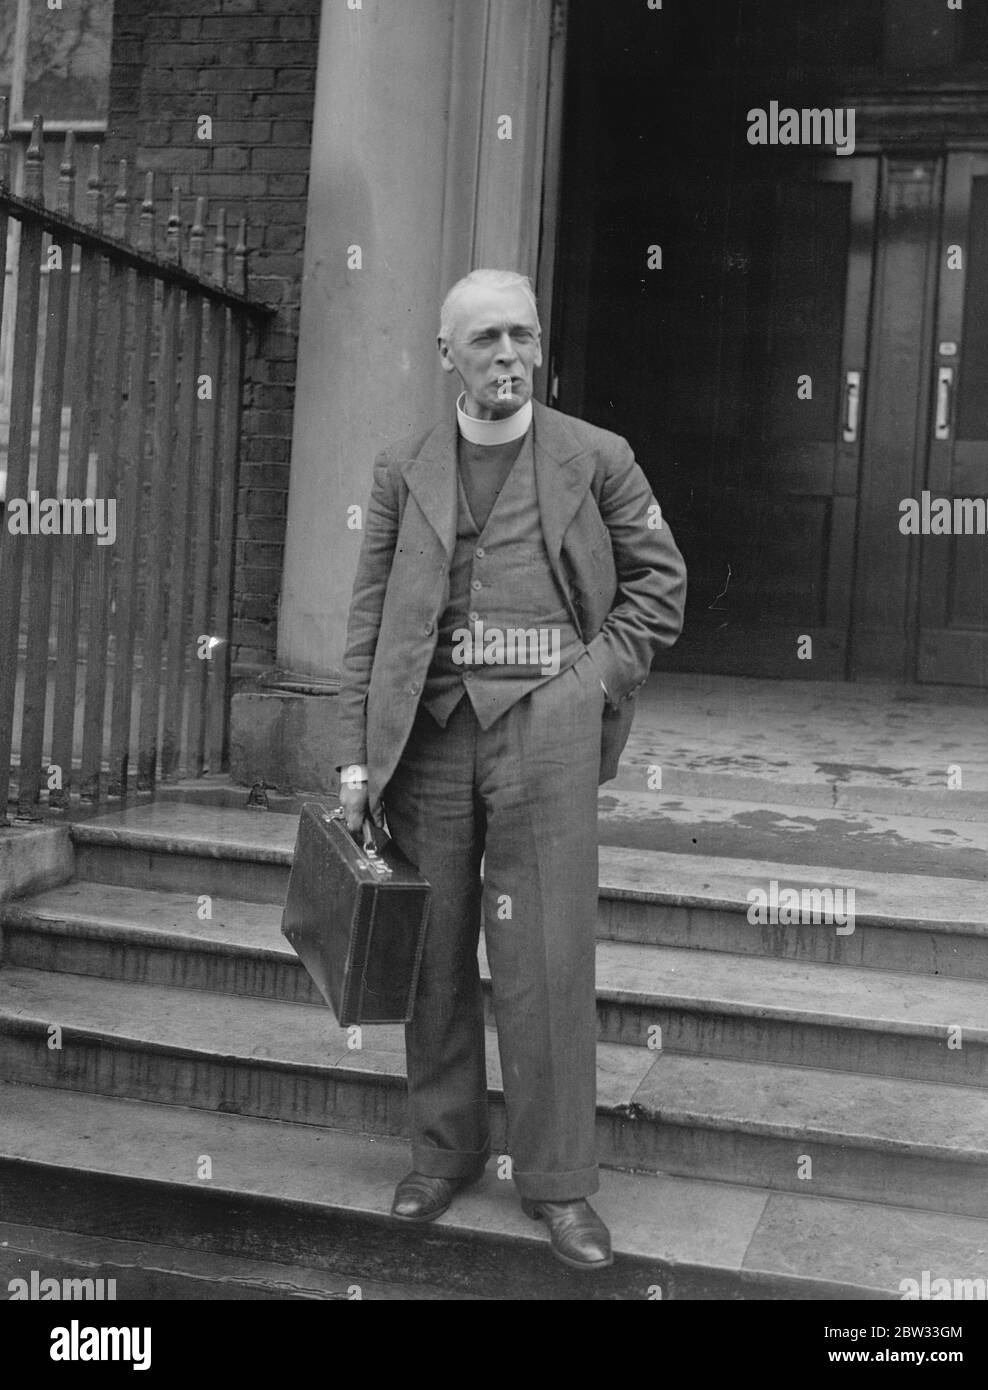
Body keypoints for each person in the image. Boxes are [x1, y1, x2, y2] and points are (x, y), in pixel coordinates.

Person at [334, 268, 686, 1270]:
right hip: (432, 738)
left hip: (545, 733)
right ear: (445, 352)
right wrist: (355, 761)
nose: (506, 356)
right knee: (432, 954)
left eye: (521, 336)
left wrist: (584, 684)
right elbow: (368, 621)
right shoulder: (403, 466)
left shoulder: (597, 457)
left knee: (544, 961)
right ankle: (442, 1152)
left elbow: (659, 587)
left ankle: (558, 1183)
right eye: (484, 338)